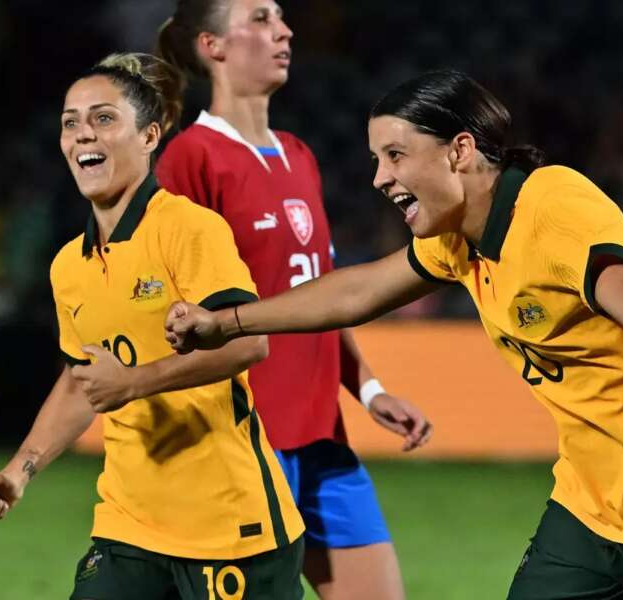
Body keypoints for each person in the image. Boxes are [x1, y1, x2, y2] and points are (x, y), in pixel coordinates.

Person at [164, 70, 623, 600]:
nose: (379, 177)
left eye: (396, 156)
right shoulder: (459, 236)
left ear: (459, 150)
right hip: (591, 503)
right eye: (377, 159)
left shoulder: (554, 213)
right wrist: (228, 321)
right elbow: (358, 292)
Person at [0, 52, 306, 600]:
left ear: (149, 136)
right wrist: (19, 471)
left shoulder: (188, 229)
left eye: (103, 118)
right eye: (70, 122)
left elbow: (249, 344)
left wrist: (136, 381)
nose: (82, 134)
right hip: (128, 526)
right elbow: (84, 377)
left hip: (229, 528)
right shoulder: (68, 266)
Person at [153, 2, 432, 598]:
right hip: (245, 442)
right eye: (259, 18)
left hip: (322, 438)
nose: (284, 30)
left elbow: (321, 290)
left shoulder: (298, 153)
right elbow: (174, 314)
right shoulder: (189, 159)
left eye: (280, 17)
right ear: (213, 46)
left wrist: (369, 389)